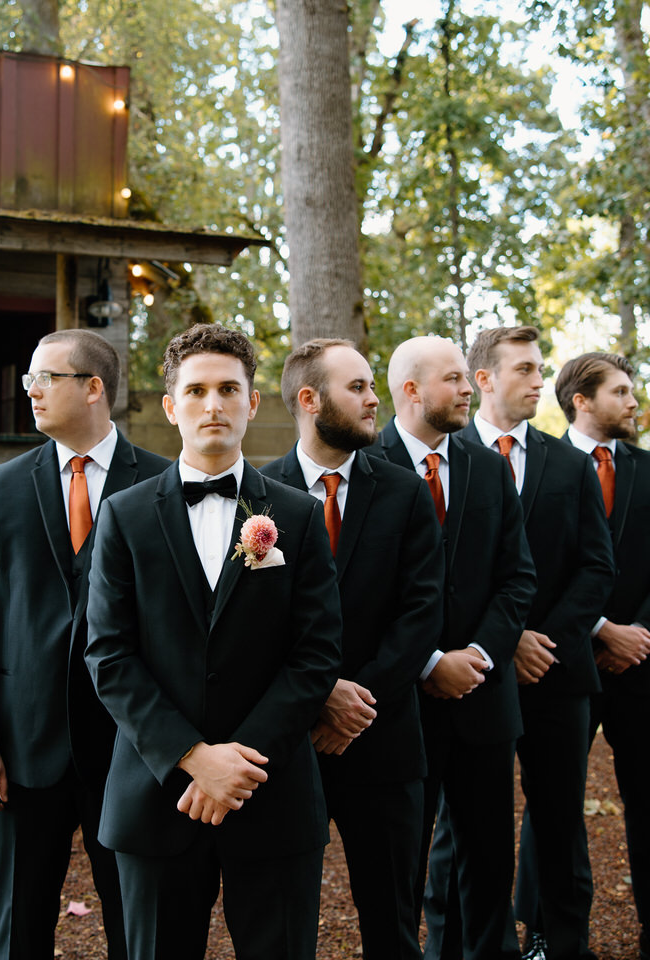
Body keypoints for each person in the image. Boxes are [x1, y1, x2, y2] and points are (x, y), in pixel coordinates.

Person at [84, 323, 343, 960]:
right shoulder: (122, 514)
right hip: (157, 794)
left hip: (271, 792)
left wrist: (238, 761)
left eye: (229, 388)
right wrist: (193, 756)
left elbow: (315, 655)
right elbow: (109, 654)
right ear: (172, 407)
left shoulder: (299, 516)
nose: (214, 404)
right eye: (196, 390)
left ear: (252, 403)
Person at [0, 329, 168, 960]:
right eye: (29, 380)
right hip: (21, 748)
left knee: (137, 923)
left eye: (46, 378)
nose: (32, 391)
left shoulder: (158, 483)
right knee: (16, 927)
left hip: (130, 748)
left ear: (93, 388)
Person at [423, 327, 615, 960]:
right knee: (463, 830)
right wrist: (503, 643)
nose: (540, 381)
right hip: (476, 676)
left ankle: (564, 945)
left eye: (542, 370)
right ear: (484, 379)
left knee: (559, 820)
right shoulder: (443, 459)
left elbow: (596, 567)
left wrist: (546, 640)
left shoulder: (568, 462)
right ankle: (456, 945)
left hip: (557, 678)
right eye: (527, 369)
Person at [259, 338, 444, 960]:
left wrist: (357, 700)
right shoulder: (257, 496)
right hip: (289, 745)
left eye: (372, 385)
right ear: (310, 400)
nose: (374, 400)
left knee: (393, 922)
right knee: (284, 923)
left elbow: (423, 610)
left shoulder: (402, 492)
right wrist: (316, 697)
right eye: (358, 388)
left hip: (383, 736)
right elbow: (253, 624)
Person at [370, 335, 536, 960]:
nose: (470, 389)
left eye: (469, 379)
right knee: (401, 864)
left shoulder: (487, 467)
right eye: (455, 379)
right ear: (411, 390)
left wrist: (480, 657)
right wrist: (429, 662)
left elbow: (517, 577)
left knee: (490, 860)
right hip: (400, 705)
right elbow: (361, 594)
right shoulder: (366, 465)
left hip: (483, 700)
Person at [549, 352, 650, 960]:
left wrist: (639, 635)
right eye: (622, 391)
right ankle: (544, 934)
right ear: (582, 400)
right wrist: (599, 631)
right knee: (553, 807)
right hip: (567, 668)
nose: (635, 402)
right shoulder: (542, 467)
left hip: (647, 665)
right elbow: (537, 571)